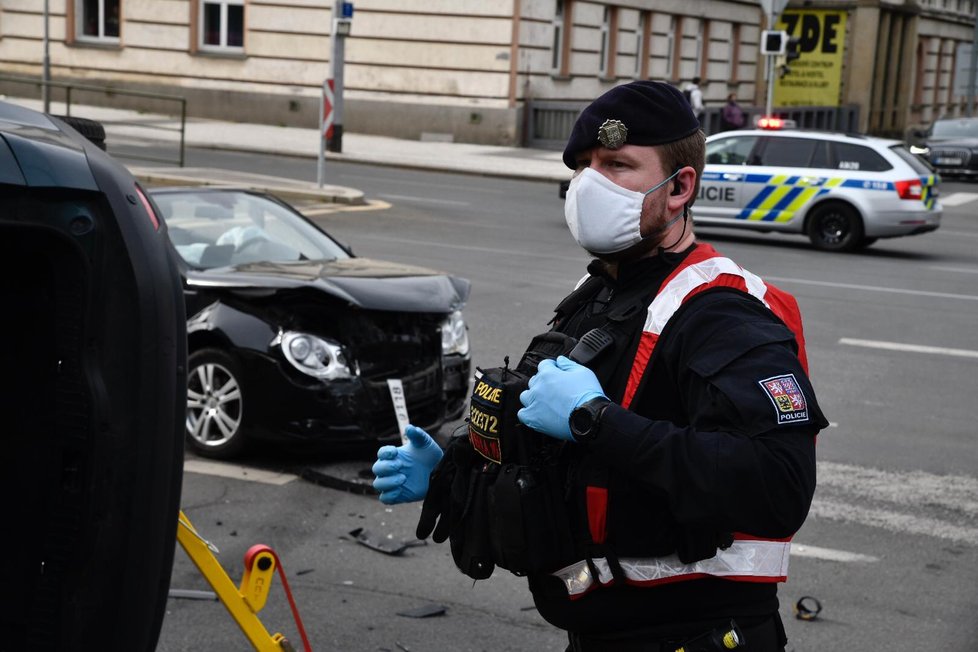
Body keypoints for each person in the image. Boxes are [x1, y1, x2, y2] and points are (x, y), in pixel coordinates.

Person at [372, 80, 827, 652]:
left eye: (617, 165)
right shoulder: (596, 296)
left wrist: (594, 417)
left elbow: (777, 486)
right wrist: (447, 473)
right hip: (604, 635)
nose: (589, 185)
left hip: (699, 636)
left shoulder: (722, 314)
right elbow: (558, 469)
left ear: (680, 186)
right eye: (583, 166)